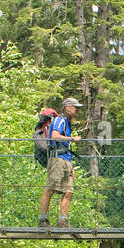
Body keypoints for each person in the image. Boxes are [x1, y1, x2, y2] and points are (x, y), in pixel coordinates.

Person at [39, 97, 82, 227]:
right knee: (50, 189)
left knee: (69, 191)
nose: (77, 111)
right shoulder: (60, 120)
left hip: (66, 160)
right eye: (76, 108)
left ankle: (62, 220)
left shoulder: (68, 123)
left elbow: (66, 146)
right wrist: (72, 138)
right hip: (57, 159)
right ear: (68, 107)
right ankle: (43, 219)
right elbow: (54, 136)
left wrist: (72, 167)